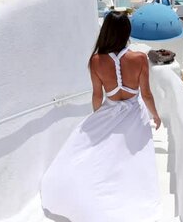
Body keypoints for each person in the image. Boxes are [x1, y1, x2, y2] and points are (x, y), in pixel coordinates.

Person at [41, 11, 162, 222]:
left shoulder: (95, 61)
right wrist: (156, 115)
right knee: (130, 158)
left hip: (109, 109)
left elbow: (97, 95)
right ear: (126, 32)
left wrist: (100, 119)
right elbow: (147, 94)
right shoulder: (140, 58)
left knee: (103, 156)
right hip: (134, 113)